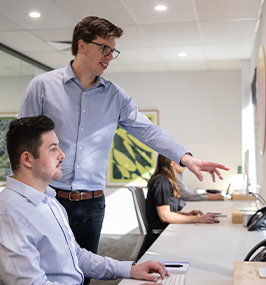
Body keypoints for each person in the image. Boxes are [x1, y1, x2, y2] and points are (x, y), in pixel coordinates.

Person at [17, 15, 229, 262]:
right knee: (45, 272)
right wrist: (18, 197)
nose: (109, 57)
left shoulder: (116, 96)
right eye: (104, 48)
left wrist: (186, 158)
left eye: (113, 51)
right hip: (49, 198)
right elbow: (21, 141)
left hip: (92, 205)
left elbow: (148, 131)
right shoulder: (42, 86)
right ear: (81, 45)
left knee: (85, 274)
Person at [0, 116, 173, 285]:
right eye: (53, 149)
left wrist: (130, 269)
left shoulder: (48, 201)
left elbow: (77, 256)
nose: (62, 154)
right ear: (27, 159)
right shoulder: (8, 215)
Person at [142, 155, 219, 256]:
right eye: (182, 161)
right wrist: (197, 219)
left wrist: (186, 214)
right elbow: (165, 216)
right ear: (171, 162)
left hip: (165, 230)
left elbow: (166, 211)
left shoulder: (167, 181)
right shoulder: (162, 182)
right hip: (159, 237)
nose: (186, 164)